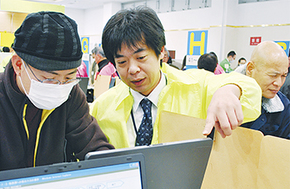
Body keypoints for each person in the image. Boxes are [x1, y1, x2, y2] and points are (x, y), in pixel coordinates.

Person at [0, 11, 114, 176]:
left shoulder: (71, 94)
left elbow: (95, 147)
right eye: (49, 78)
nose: (60, 86)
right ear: (19, 65)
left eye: (69, 76)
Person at [90, 6, 261, 149]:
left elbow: (250, 89)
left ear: (161, 52)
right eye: (122, 62)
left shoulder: (195, 88)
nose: (133, 69)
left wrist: (229, 91)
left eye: (141, 58)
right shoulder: (102, 107)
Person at [241, 41, 289, 139]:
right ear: (250, 69)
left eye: (284, 76)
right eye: (273, 75)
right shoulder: (227, 96)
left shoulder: (284, 106)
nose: (278, 83)